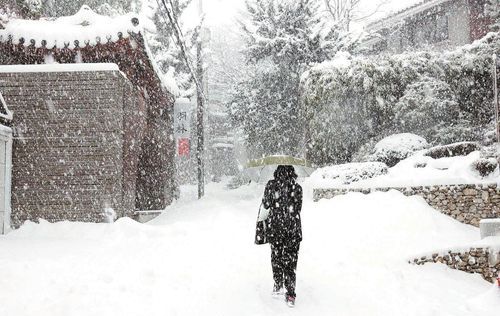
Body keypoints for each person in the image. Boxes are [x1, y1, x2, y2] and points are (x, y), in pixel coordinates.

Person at [262, 165, 303, 307]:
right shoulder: (297, 188)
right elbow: (298, 209)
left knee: (276, 256)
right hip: (293, 230)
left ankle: (278, 284)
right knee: (291, 262)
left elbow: (266, 204)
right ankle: (290, 294)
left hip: (275, 229)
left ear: (276, 172)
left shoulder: (271, 185)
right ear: (293, 173)